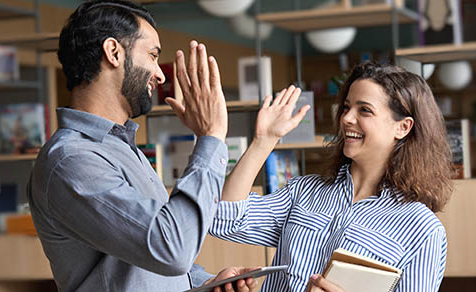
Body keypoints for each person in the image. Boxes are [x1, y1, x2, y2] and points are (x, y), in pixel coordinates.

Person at [27, 1, 259, 291]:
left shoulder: (123, 149)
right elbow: (171, 249)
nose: (160, 74)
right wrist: (211, 136)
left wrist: (205, 283)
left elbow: (144, 258)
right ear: (113, 53)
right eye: (152, 55)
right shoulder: (71, 160)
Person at [208, 62, 454, 292]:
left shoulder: (422, 229)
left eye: (365, 110)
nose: (346, 118)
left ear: (403, 127)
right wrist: (263, 141)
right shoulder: (304, 192)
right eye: (347, 107)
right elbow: (223, 219)